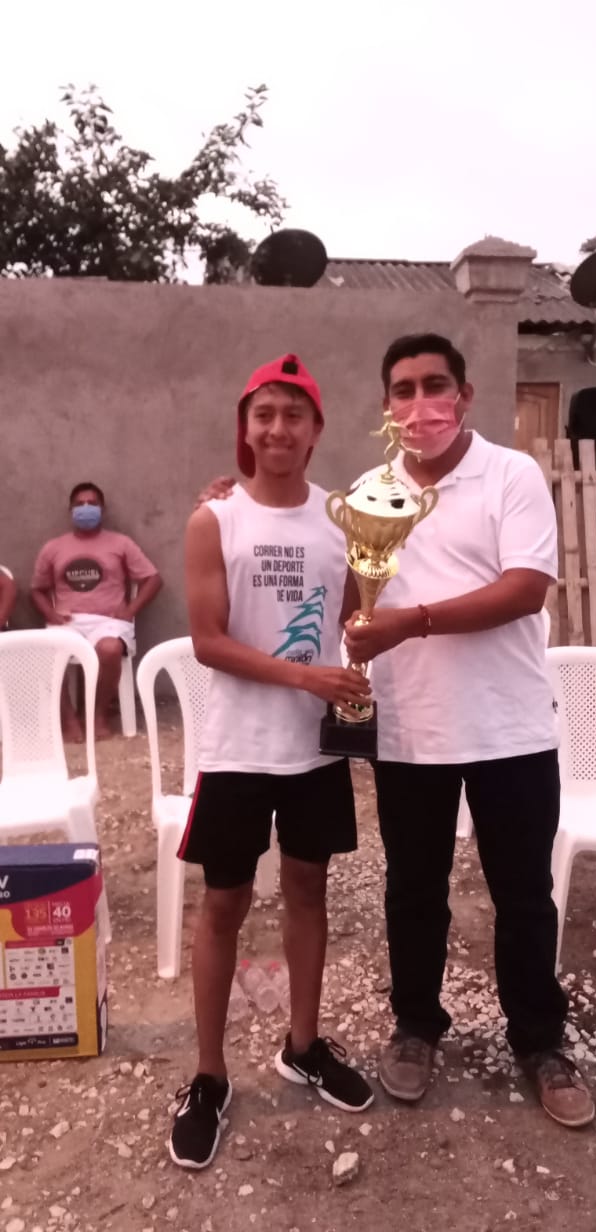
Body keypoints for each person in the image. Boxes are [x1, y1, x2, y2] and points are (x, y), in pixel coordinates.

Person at [341, 332, 594, 1128]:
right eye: (404, 389)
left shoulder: (511, 476)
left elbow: (524, 590)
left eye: (435, 385)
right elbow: (347, 587)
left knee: (523, 895)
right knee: (413, 891)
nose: (421, 404)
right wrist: (232, 506)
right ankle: (416, 1026)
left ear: (465, 395)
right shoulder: (371, 491)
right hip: (411, 728)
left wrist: (408, 622)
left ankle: (539, 1040)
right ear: (387, 406)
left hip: (509, 728)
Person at [171, 353, 373, 1172]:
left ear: (316, 430)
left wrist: (361, 648)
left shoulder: (345, 520)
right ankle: (209, 1076)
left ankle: (303, 1044)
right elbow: (208, 642)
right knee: (223, 903)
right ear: (246, 428)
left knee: (308, 890)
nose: (278, 428)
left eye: (294, 414)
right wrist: (307, 676)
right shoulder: (214, 520)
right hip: (240, 748)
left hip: (314, 748)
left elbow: (355, 615)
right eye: (265, 414)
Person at [31, 482, 162, 739]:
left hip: (109, 622)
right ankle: (69, 719)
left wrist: (130, 610)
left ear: (102, 509)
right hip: (67, 621)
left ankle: (98, 714)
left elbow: (153, 580)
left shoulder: (121, 543)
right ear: (70, 510)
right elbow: (36, 590)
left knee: (110, 650)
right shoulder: (54, 547)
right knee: (52, 652)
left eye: (92, 504)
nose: (86, 508)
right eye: (79, 504)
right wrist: (51, 615)